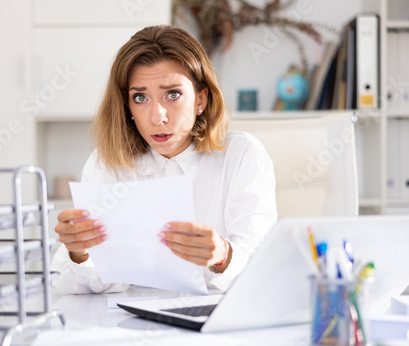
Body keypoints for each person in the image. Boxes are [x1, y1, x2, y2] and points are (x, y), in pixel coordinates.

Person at [51, 25, 277, 294]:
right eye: (140, 97)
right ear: (127, 107)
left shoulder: (242, 155)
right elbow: (83, 282)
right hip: (131, 323)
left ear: (201, 100)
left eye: (173, 94)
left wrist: (223, 255)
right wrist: (80, 253)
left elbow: (265, 269)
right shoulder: (107, 163)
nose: (157, 117)